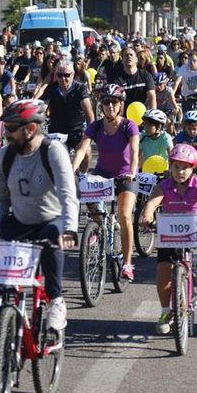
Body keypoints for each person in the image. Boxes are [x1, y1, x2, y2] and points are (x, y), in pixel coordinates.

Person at [0, 99, 78, 335]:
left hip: (50, 220)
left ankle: (56, 301)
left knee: (52, 242)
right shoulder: (6, 155)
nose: (6, 134)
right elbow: (1, 197)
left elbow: (68, 195)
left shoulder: (53, 151)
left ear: (30, 129)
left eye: (11, 128)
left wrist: (70, 229)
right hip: (20, 222)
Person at [140, 143, 197, 333]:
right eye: (176, 167)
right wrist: (147, 216)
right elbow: (152, 203)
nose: (180, 172)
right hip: (170, 231)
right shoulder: (164, 186)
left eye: (185, 168)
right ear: (170, 167)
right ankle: (165, 312)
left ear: (193, 169)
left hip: (193, 228)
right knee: (163, 270)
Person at [71, 84, 139, 281]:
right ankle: (99, 226)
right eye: (106, 102)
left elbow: (135, 150)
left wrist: (132, 171)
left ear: (121, 105)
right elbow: (83, 148)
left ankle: (127, 263)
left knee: (124, 216)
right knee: (88, 196)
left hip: (125, 176)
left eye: (114, 102)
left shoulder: (129, 126)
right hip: (102, 174)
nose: (110, 106)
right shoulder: (96, 126)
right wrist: (72, 169)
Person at [108, 46, 156, 110]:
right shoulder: (116, 79)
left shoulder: (146, 75)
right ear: (122, 60)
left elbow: (151, 96)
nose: (129, 57)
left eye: (131, 55)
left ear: (136, 59)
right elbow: (116, 100)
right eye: (126, 55)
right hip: (125, 114)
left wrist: (153, 113)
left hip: (144, 113)